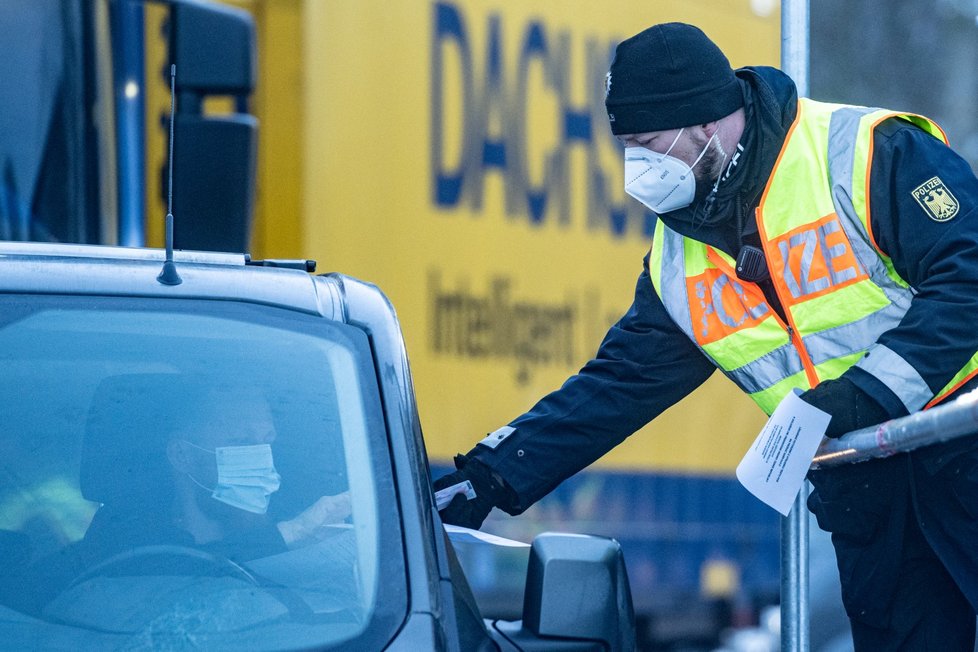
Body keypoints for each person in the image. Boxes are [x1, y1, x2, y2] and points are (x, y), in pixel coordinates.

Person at [433, 22, 978, 652]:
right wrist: (490, 477)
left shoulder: (865, 153)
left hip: (961, 449)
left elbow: (969, 278)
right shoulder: (678, 258)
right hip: (870, 499)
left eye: (648, 142)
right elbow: (616, 385)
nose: (638, 167)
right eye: (627, 147)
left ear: (707, 124)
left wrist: (867, 393)